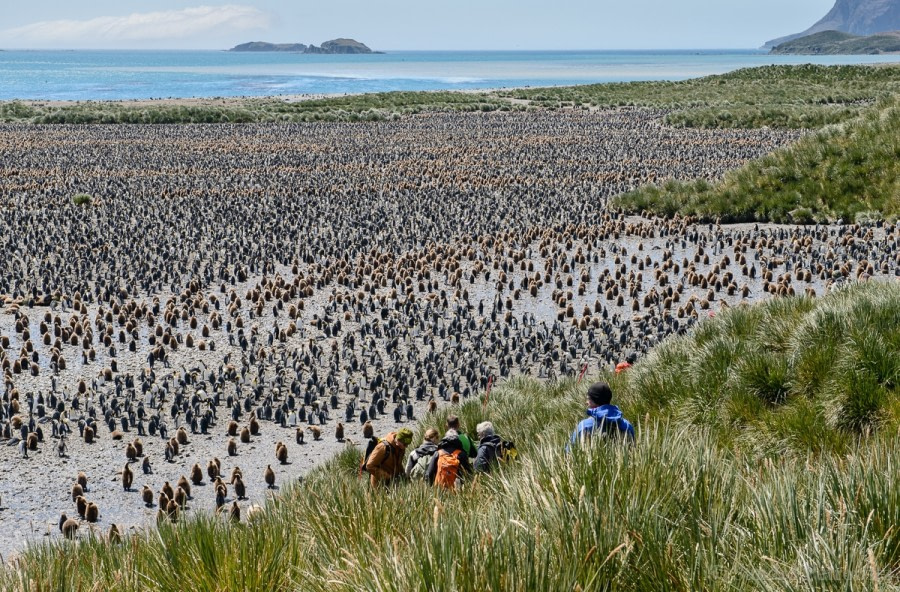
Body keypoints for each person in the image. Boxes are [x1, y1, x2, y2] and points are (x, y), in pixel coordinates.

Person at [570, 382, 634, 446]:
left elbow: (569, 452)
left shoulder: (584, 426)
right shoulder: (627, 425)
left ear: (595, 401)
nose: (586, 402)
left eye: (588, 399)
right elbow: (633, 450)